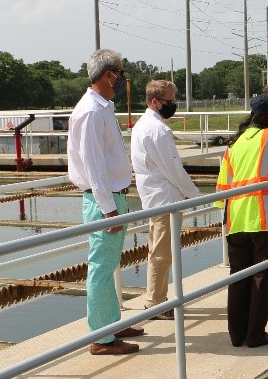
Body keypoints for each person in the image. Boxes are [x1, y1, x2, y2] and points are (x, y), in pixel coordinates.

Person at [69, 48, 144, 355]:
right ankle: (101, 338)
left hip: (113, 196)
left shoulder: (103, 107)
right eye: (121, 74)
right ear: (108, 75)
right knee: (101, 268)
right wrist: (108, 208)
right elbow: (92, 164)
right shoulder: (90, 111)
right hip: (105, 200)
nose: (123, 81)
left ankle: (111, 322)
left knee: (111, 263)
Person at [215, 94, 268, 347]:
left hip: (236, 218)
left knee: (238, 276)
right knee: (263, 277)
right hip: (267, 217)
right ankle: (256, 334)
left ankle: (236, 334)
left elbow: (223, 188)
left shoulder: (235, 142)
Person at [130, 79, 199, 320]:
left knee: (160, 248)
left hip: (155, 194)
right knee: (162, 251)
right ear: (155, 101)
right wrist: (193, 194)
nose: (173, 105)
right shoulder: (157, 130)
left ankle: (156, 299)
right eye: (170, 101)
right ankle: (156, 302)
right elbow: (173, 168)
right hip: (164, 197)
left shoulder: (145, 125)